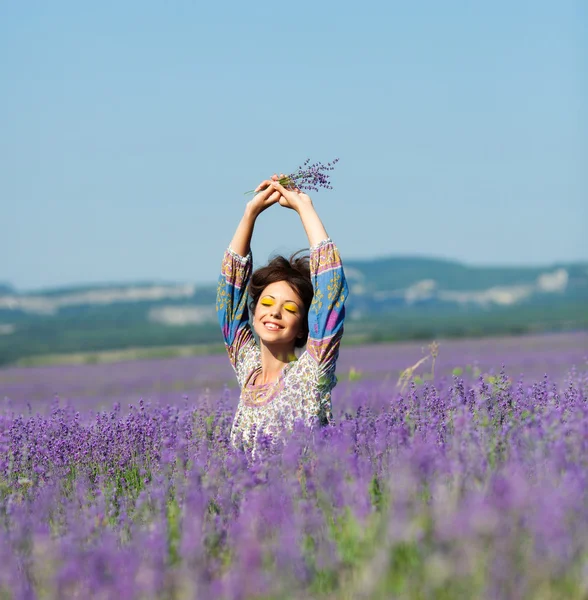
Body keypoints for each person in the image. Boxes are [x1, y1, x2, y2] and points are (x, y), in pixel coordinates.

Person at [216, 174, 348, 451]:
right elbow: (228, 302)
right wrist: (250, 214)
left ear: (303, 327)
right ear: (252, 314)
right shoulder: (249, 372)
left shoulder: (311, 374)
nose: (274, 313)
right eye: (266, 304)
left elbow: (330, 293)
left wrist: (305, 209)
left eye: (289, 309)